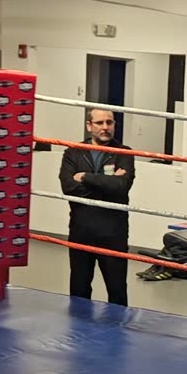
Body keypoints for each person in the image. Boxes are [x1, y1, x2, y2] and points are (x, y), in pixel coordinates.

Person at [58, 108, 135, 306]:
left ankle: (118, 334)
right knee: (79, 288)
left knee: (117, 291)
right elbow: (69, 188)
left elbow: (121, 187)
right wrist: (106, 183)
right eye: (100, 123)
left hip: (113, 233)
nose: (105, 127)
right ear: (89, 126)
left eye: (109, 122)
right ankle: (76, 335)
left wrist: (85, 177)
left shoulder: (124, 153)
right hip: (81, 230)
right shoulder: (73, 152)